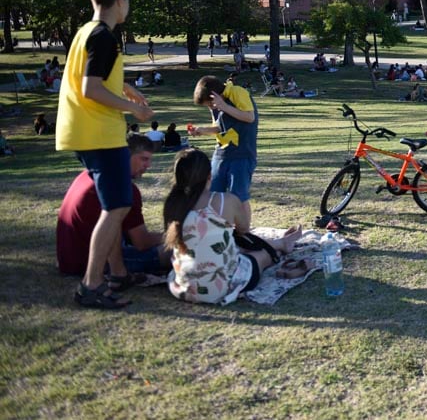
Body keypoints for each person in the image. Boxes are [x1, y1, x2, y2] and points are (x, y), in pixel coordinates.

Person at [56, 0, 154, 309]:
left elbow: (95, 77)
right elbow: (91, 88)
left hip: (82, 132)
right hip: (100, 133)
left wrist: (129, 90)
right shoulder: (104, 37)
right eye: (128, 1)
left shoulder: (86, 32)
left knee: (111, 206)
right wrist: (134, 110)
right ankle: (91, 285)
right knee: (118, 206)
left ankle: (118, 272)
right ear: (119, 1)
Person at [164, 149, 301, 304]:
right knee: (260, 255)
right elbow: (244, 230)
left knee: (231, 246)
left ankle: (281, 243)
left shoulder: (172, 204)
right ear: (209, 176)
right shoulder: (225, 201)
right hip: (221, 287)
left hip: (185, 287)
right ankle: (281, 244)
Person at [57, 133, 169, 280]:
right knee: (173, 252)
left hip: (67, 260)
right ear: (125, 156)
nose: (148, 166)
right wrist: (175, 235)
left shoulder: (90, 174)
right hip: (91, 263)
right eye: (144, 159)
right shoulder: (123, 188)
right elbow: (141, 242)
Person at [188, 75, 259, 233]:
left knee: (238, 196)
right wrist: (202, 130)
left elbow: (249, 117)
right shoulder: (216, 106)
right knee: (213, 194)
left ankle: (244, 233)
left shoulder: (236, 92)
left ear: (215, 95)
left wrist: (223, 106)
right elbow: (220, 127)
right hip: (221, 154)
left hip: (242, 154)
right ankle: (218, 231)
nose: (211, 108)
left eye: (210, 104)